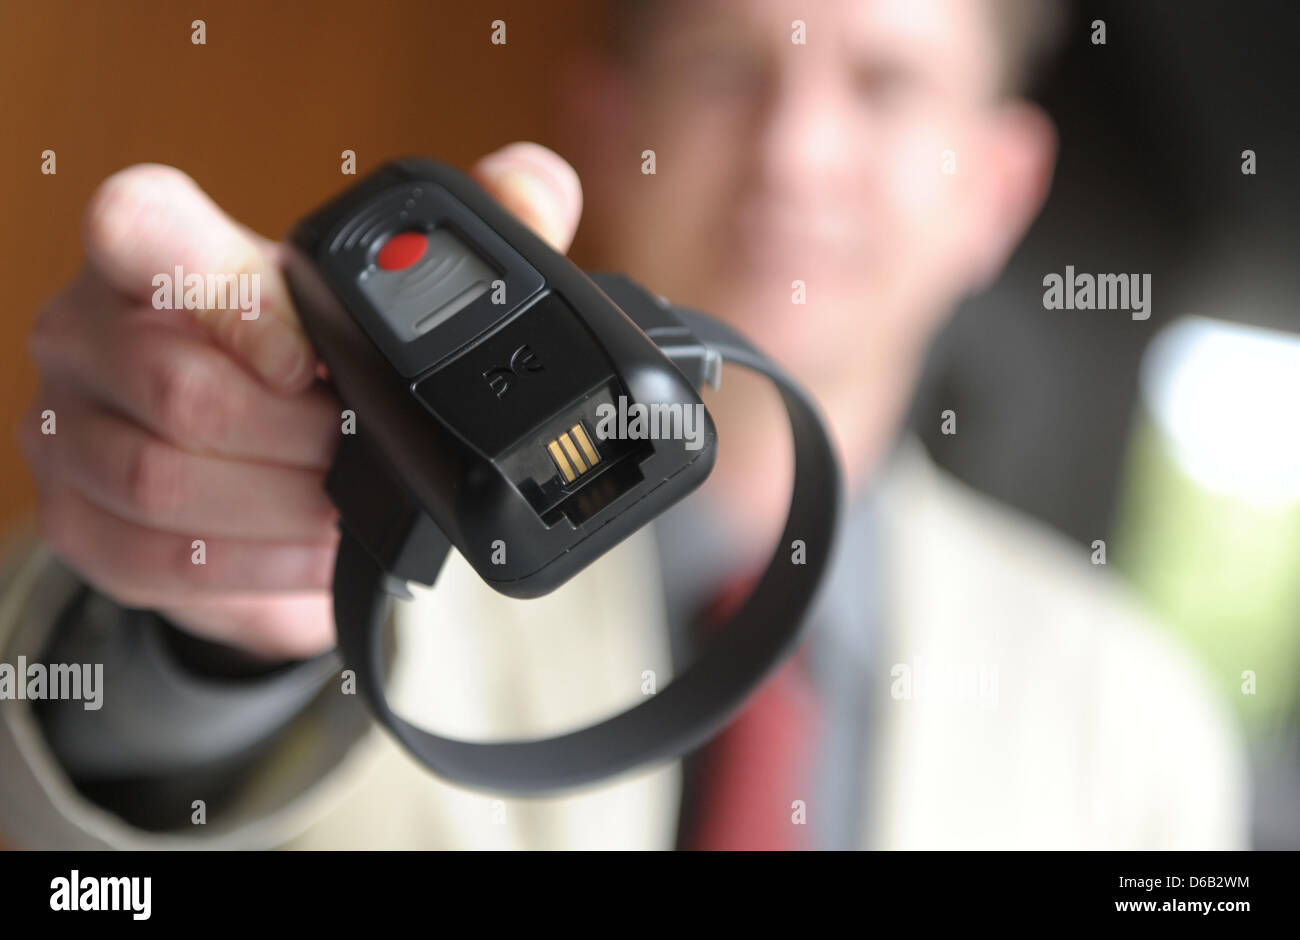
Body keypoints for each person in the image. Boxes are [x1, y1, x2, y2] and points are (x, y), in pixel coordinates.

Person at [0, 0, 1245, 849]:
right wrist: (214, 632)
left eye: (885, 85)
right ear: (606, 125)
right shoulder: (350, 528)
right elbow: (80, 829)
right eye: (723, 67)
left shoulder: (1141, 716)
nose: (795, 154)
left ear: (998, 187)